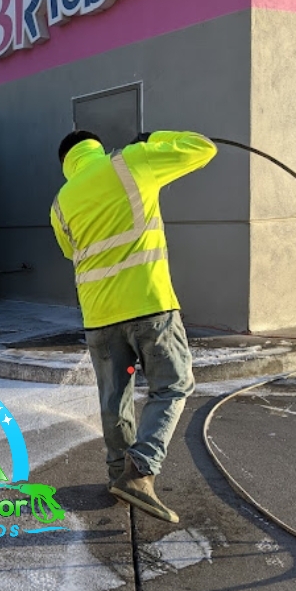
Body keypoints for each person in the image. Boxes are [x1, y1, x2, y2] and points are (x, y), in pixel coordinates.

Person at [50, 128, 217, 523]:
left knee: (115, 397)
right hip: (149, 307)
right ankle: (140, 472)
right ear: (96, 146)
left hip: (99, 319)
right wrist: (155, 138)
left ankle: (117, 474)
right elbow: (204, 147)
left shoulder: (61, 202)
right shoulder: (129, 162)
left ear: (66, 164)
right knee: (173, 385)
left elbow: (69, 251)